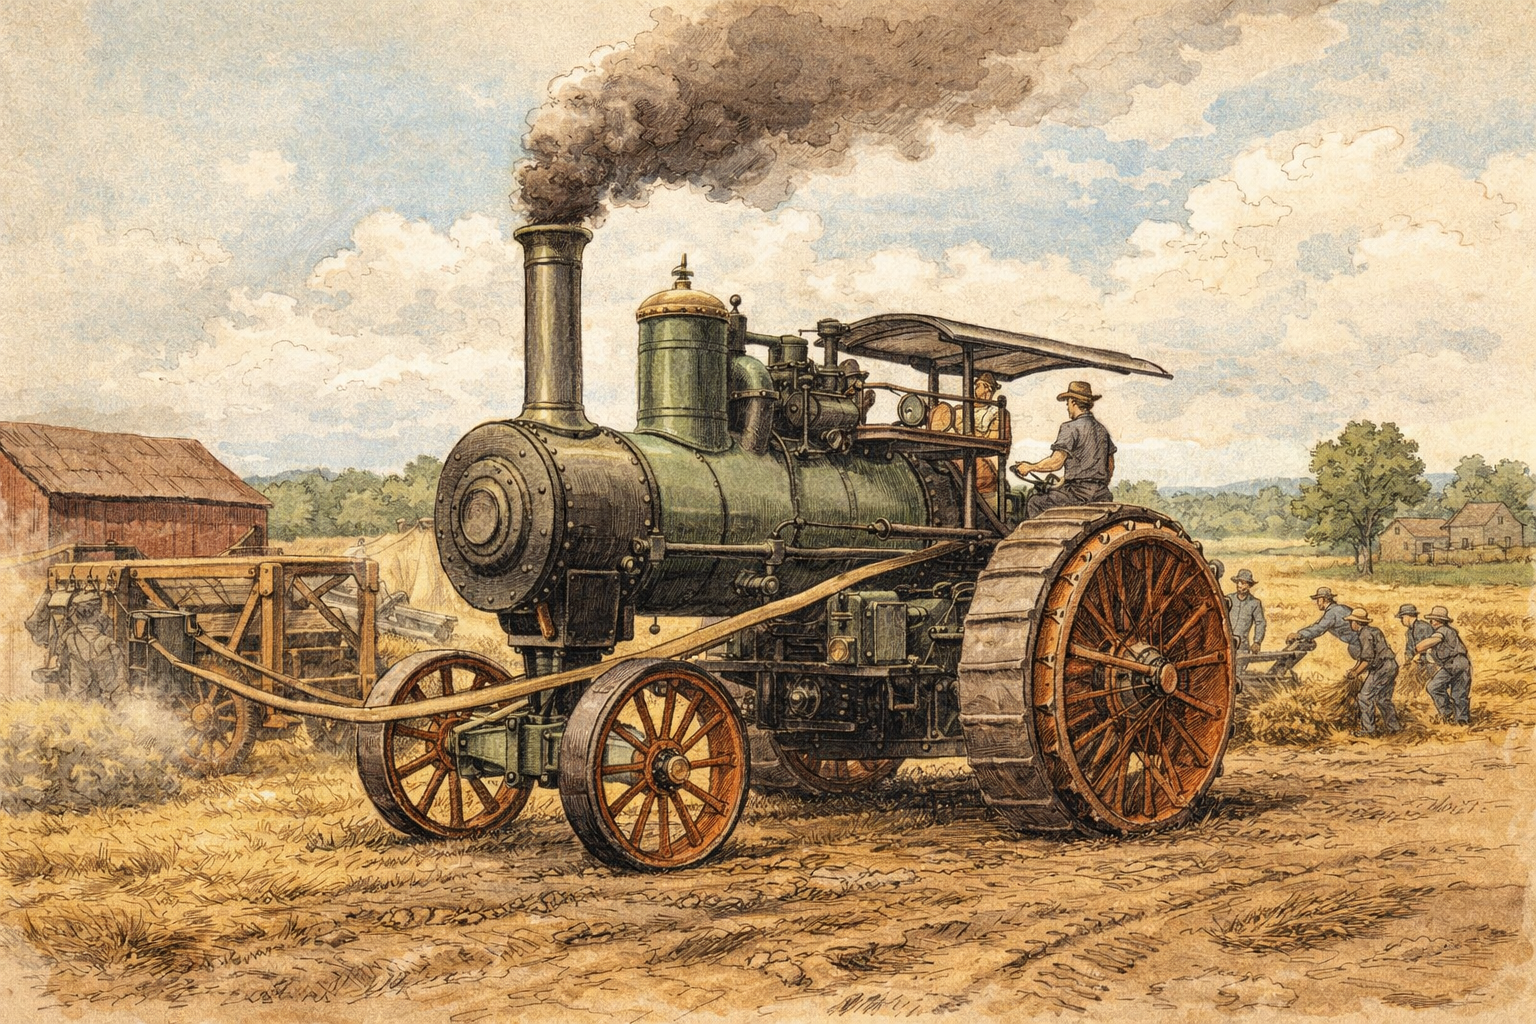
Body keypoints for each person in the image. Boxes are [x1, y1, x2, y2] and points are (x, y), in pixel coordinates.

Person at [1011, 380, 1115, 519]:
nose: (1067, 408)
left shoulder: (1070, 428)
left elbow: (1056, 462)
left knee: (1035, 502)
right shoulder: (1102, 430)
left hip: (1077, 496)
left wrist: (1030, 467)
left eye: (1067, 403)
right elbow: (1110, 465)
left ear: (1073, 402)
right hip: (1102, 494)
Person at [1343, 609, 1400, 735]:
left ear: (1357, 623)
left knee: (1364, 697)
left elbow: (1368, 659)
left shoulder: (1365, 634)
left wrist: (1355, 673)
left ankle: (1368, 730)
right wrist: (1355, 669)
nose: (1350, 624)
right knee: (1383, 699)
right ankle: (1394, 728)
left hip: (1382, 668)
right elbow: (1364, 658)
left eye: (1351, 621)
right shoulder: (1373, 631)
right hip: (1391, 665)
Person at [1416, 605, 1472, 725]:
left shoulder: (1443, 631)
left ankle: (1459, 719)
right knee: (1434, 687)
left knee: (1458, 693)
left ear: (1439, 621)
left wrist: (1420, 647)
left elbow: (1424, 645)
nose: (1431, 621)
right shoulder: (1447, 632)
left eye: (1433, 619)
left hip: (1457, 664)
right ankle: (1449, 712)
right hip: (1453, 665)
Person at [1286, 587, 1355, 646]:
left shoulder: (1332, 612)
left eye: (1318, 600)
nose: (1317, 603)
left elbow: (1319, 628)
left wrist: (1299, 634)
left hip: (1357, 642)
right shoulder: (1338, 608)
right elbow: (1319, 623)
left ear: (1324, 599)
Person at [1225, 568, 1266, 652]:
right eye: (1238, 582)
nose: (1239, 585)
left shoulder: (1255, 603)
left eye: (1243, 583)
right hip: (1225, 645)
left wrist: (1257, 642)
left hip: (1242, 648)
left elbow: (1260, 623)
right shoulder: (1228, 599)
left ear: (1249, 585)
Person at [1397, 604, 1436, 690]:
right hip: (1417, 664)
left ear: (1407, 616)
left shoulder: (1423, 627)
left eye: (1402, 617)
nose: (1401, 620)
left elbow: (1430, 646)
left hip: (1429, 663)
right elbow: (1409, 650)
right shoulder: (1409, 631)